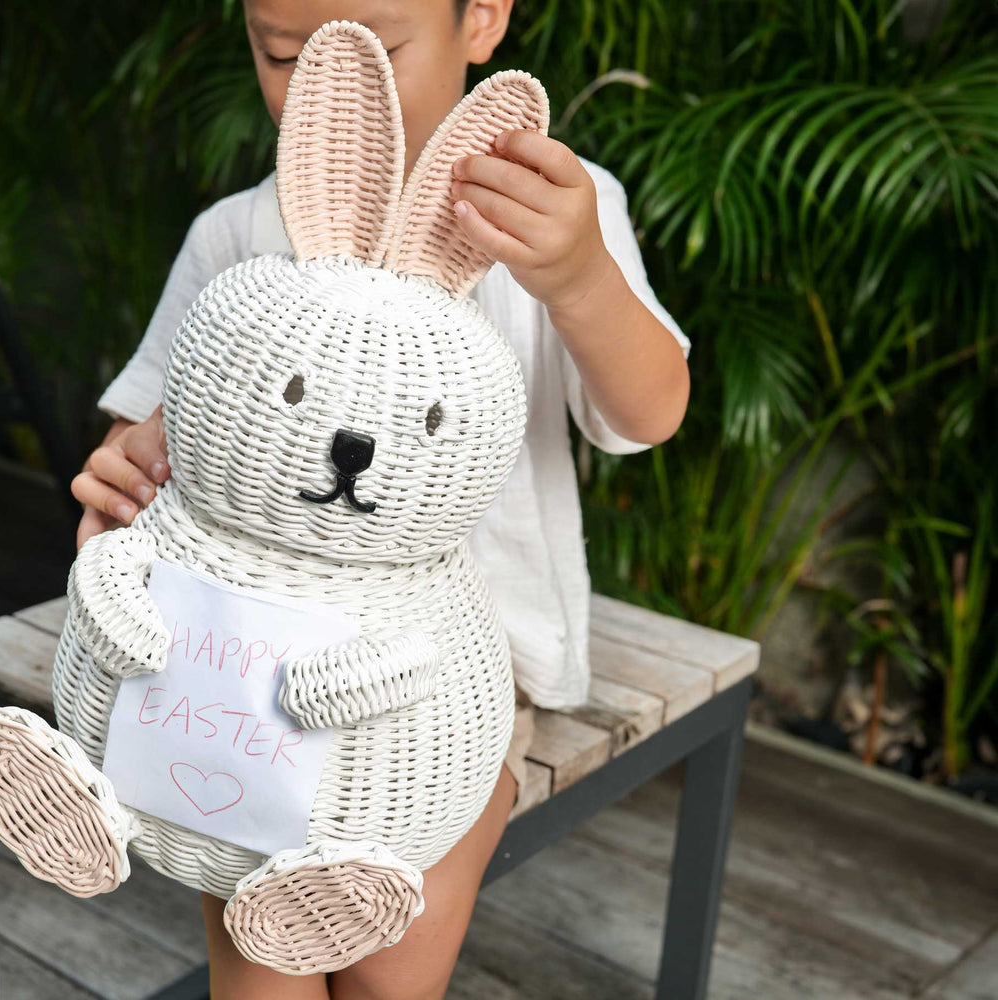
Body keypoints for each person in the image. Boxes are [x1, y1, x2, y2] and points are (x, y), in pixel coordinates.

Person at [71, 1, 692, 997]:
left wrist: (576, 274)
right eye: (285, 54)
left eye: (379, 47)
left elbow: (649, 411)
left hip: (457, 671)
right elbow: (146, 438)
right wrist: (126, 481)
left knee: (388, 963)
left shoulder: (551, 210)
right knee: (263, 941)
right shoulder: (237, 236)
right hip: (243, 665)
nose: (330, 81)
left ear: (481, 18)